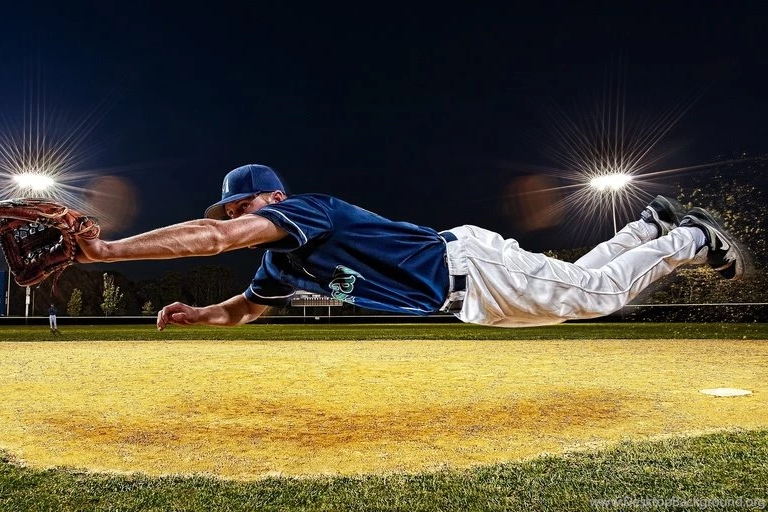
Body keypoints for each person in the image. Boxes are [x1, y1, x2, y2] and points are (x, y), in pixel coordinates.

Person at [75, 164, 747, 329]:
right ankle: (647, 227)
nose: (233, 217)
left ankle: (688, 236)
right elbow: (247, 307)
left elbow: (213, 240)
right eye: (231, 209)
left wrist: (105, 254)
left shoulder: (306, 210)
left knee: (595, 299)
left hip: (467, 267)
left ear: (272, 199)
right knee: (578, 294)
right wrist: (200, 316)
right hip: (467, 296)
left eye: (241, 204)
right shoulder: (284, 261)